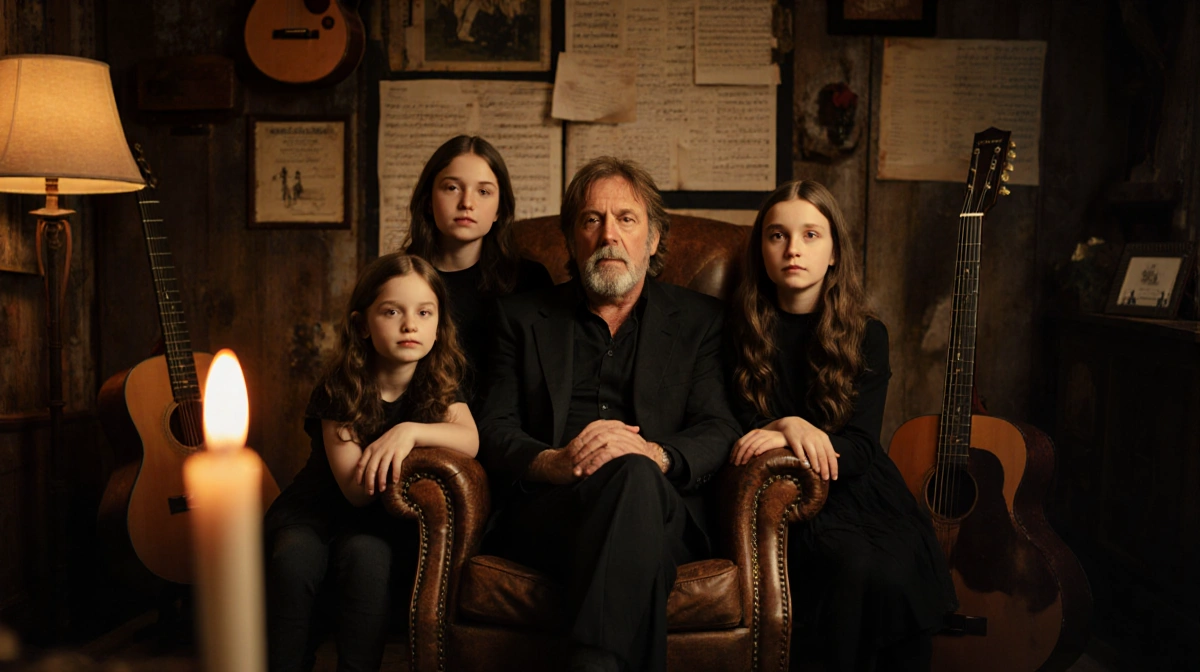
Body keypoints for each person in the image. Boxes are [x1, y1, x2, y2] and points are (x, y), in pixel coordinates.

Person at [477, 157, 741, 672]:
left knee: (635, 476)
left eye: (626, 218)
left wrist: (656, 455)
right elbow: (493, 427)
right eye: (591, 219)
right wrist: (553, 461)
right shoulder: (520, 319)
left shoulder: (701, 321)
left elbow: (720, 426)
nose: (608, 234)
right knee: (632, 489)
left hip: (662, 508)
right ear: (571, 238)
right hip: (552, 511)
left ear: (655, 237)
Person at [727, 180, 957, 672]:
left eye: (811, 235)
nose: (793, 249)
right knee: (849, 566)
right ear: (761, 250)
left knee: (895, 570)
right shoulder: (736, 329)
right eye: (777, 235)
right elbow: (742, 429)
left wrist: (793, 430)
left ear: (834, 253)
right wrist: (793, 424)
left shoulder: (867, 334)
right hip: (783, 494)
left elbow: (858, 448)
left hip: (859, 486)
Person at [264, 253, 479, 672]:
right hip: (315, 512)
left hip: (375, 525)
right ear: (363, 325)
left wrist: (410, 431)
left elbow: (469, 439)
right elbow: (355, 490)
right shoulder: (341, 387)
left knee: (370, 562)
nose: (409, 324)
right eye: (392, 311)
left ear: (439, 326)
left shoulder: (440, 384)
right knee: (294, 559)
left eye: (424, 312)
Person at [403, 135, 552, 409]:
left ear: (499, 210)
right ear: (427, 200)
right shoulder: (397, 280)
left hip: (507, 432)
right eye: (451, 188)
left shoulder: (530, 281)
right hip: (423, 425)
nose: (466, 203)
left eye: (483, 192)